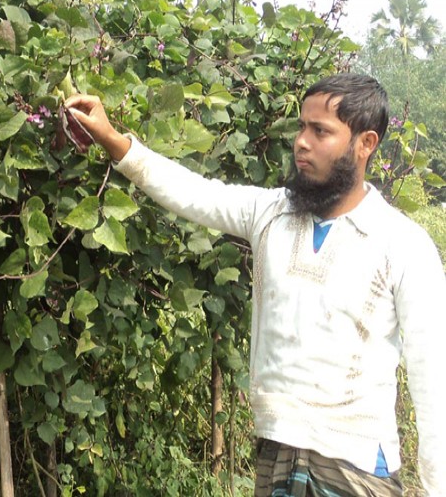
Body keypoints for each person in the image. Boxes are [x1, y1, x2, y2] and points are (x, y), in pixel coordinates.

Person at [65, 73, 445, 497]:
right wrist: (112, 138)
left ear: (365, 143)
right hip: (277, 452)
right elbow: (192, 192)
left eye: (320, 131)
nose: (302, 141)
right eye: (302, 126)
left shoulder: (402, 243)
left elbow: (433, 379)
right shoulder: (271, 213)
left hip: (354, 467)